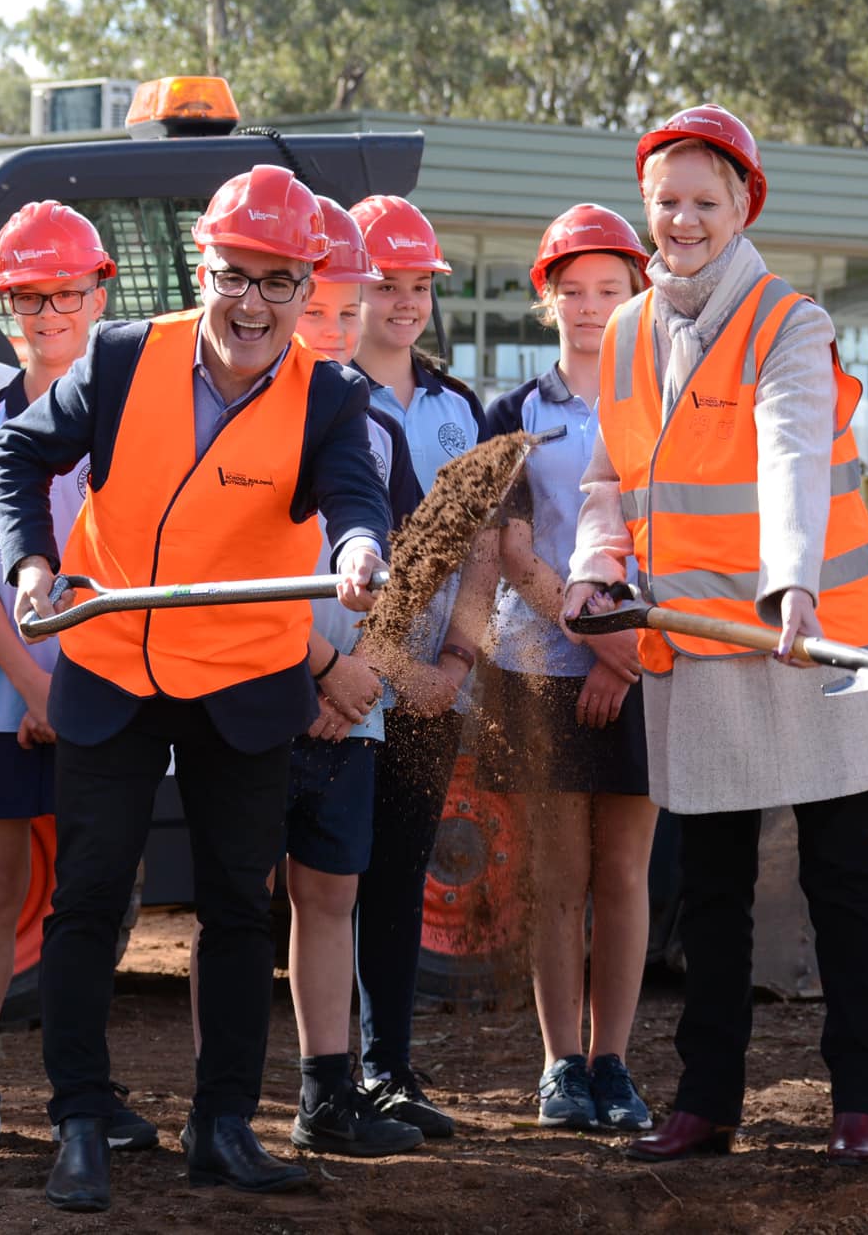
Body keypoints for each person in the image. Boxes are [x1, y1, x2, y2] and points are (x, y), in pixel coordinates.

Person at [0, 165, 389, 1212]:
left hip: (244, 680)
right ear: (199, 269)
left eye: (275, 281)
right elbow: (15, 452)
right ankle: (79, 1121)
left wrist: (355, 549)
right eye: (232, 276)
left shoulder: (329, 395)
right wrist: (32, 564)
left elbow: (356, 500)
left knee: (235, 910)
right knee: (86, 899)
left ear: (306, 289)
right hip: (113, 662)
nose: (249, 303)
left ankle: (222, 1126)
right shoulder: (123, 356)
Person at [563, 105, 868, 1166]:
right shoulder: (626, 329)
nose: (680, 219)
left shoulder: (788, 321)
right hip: (696, 642)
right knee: (708, 884)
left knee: (838, 874)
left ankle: (858, 1099)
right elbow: (607, 479)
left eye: (702, 201)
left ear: (742, 207)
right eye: (664, 201)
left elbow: (791, 454)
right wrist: (592, 569)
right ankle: (705, 1099)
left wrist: (793, 588)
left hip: (809, 637)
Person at [0, 201, 152, 1154]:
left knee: (92, 891)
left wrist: (81, 689)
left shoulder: (139, 425)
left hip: (116, 689)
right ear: (1, 306)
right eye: (26, 296)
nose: (48, 313)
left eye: (65, 292)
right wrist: (38, 687)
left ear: (99, 292)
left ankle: (80, 1089)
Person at [479, 205, 656, 1133]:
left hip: (645, 668)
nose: (591, 308)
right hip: (539, 669)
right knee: (555, 873)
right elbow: (512, 551)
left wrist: (625, 663)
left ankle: (614, 1062)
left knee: (624, 870)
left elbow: (676, 537)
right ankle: (559, 1065)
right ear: (546, 299)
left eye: (610, 291)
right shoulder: (514, 414)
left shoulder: (669, 398)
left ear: (641, 295)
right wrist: (596, 640)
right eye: (573, 291)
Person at [280, 198, 427, 1157]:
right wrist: (318, 675)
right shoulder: (241, 419)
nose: (331, 330)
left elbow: (413, 561)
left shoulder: (378, 426)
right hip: (263, 694)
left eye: (347, 310)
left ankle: (326, 1095)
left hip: (349, 705)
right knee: (241, 904)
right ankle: (221, 1102)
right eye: (317, 310)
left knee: (332, 896)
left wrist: (363, 675)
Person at [344, 193, 492, 1141]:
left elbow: (483, 541)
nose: (403, 302)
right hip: (347, 682)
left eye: (417, 286)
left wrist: (456, 659)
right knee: (323, 881)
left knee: (397, 875)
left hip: (436, 681)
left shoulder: (457, 405)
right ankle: (329, 1079)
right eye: (384, 283)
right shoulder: (319, 395)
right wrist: (392, 665)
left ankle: (387, 1070)